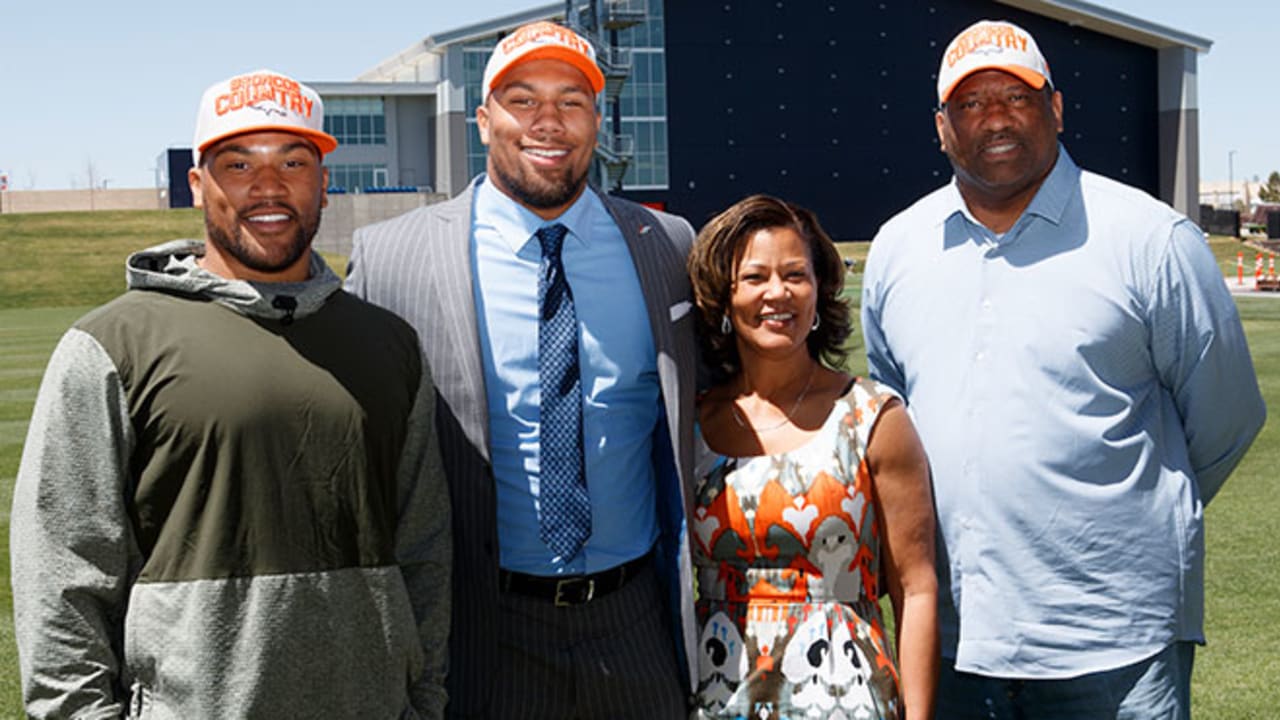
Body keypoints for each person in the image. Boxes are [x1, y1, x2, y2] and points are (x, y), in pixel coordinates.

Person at [10, 69, 451, 719]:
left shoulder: (390, 346)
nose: (268, 185)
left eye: (294, 161)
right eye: (238, 162)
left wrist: (423, 700)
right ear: (197, 182)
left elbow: (425, 551)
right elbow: (63, 575)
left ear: (324, 181)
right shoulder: (112, 344)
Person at [862, 19, 1267, 718]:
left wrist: (1120, 513)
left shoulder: (1151, 240)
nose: (994, 117)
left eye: (1016, 97)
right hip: (958, 638)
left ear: (1055, 107)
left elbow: (1225, 419)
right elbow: (897, 429)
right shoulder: (897, 251)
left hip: (1118, 647)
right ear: (941, 127)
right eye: (970, 102)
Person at [344, 22, 698, 719]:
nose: (549, 122)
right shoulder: (391, 259)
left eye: (571, 101)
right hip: (479, 629)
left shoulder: (667, 245)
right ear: (483, 120)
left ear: (597, 120)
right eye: (522, 99)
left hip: (634, 625)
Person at [686, 194, 938, 719]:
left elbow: (915, 590)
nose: (777, 293)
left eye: (795, 274)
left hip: (847, 696)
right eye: (754, 277)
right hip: (717, 697)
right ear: (723, 298)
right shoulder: (691, 423)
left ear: (820, 289)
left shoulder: (874, 418)